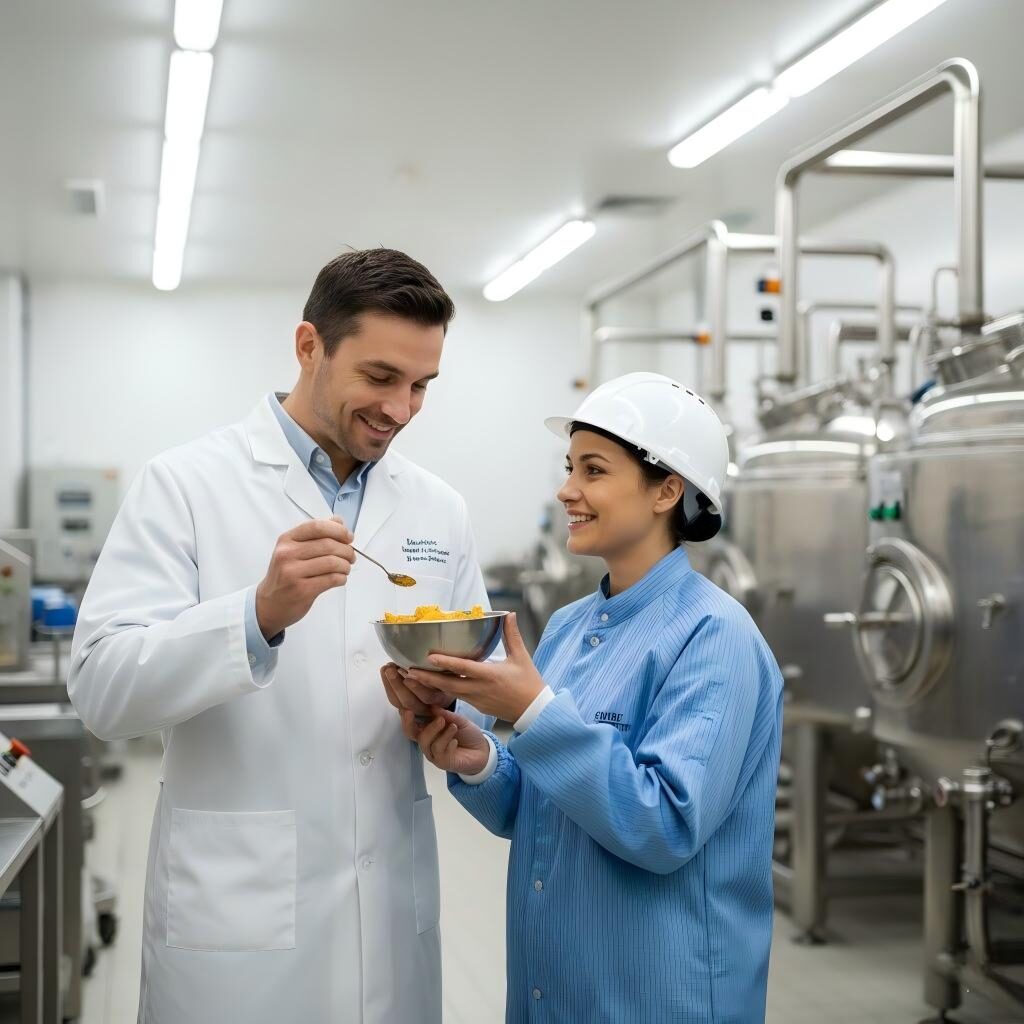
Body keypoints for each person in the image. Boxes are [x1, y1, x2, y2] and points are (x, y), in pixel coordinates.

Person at [69, 248, 492, 1023]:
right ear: (309, 347)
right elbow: (101, 688)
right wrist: (255, 616)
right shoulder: (187, 485)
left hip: (388, 907)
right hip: (238, 920)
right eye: (380, 377)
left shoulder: (438, 510)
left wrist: (453, 706)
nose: (401, 409)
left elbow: (479, 691)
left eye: (422, 385)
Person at [382, 371, 784, 1023]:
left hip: (660, 994)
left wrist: (533, 712)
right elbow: (541, 812)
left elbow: (663, 826)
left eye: (593, 471)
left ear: (667, 490)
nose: (567, 491)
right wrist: (478, 756)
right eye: (570, 468)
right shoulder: (570, 626)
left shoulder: (715, 636)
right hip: (557, 985)